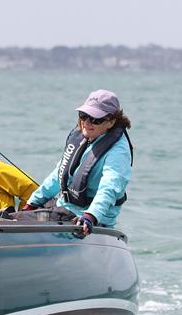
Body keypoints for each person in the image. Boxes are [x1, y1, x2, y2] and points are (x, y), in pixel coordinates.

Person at [19, 89, 133, 237]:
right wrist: (32, 203)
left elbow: (109, 189)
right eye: (84, 116)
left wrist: (90, 216)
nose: (86, 123)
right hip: (62, 208)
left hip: (85, 221)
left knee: (17, 223)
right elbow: (58, 175)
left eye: (95, 119)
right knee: (10, 216)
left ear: (111, 122)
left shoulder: (118, 152)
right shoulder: (85, 136)